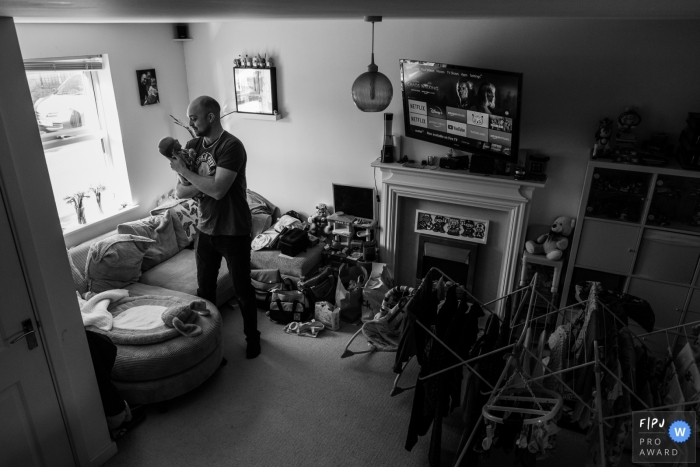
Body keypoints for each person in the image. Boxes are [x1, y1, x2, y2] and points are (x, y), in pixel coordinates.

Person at [169, 96, 261, 359]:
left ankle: (253, 338)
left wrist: (190, 177)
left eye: (193, 118)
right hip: (205, 229)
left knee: (243, 291)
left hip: (234, 229)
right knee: (205, 293)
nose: (190, 123)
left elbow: (219, 190)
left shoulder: (232, 147)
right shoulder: (193, 145)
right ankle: (210, 347)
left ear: (210, 117)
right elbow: (179, 192)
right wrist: (199, 182)